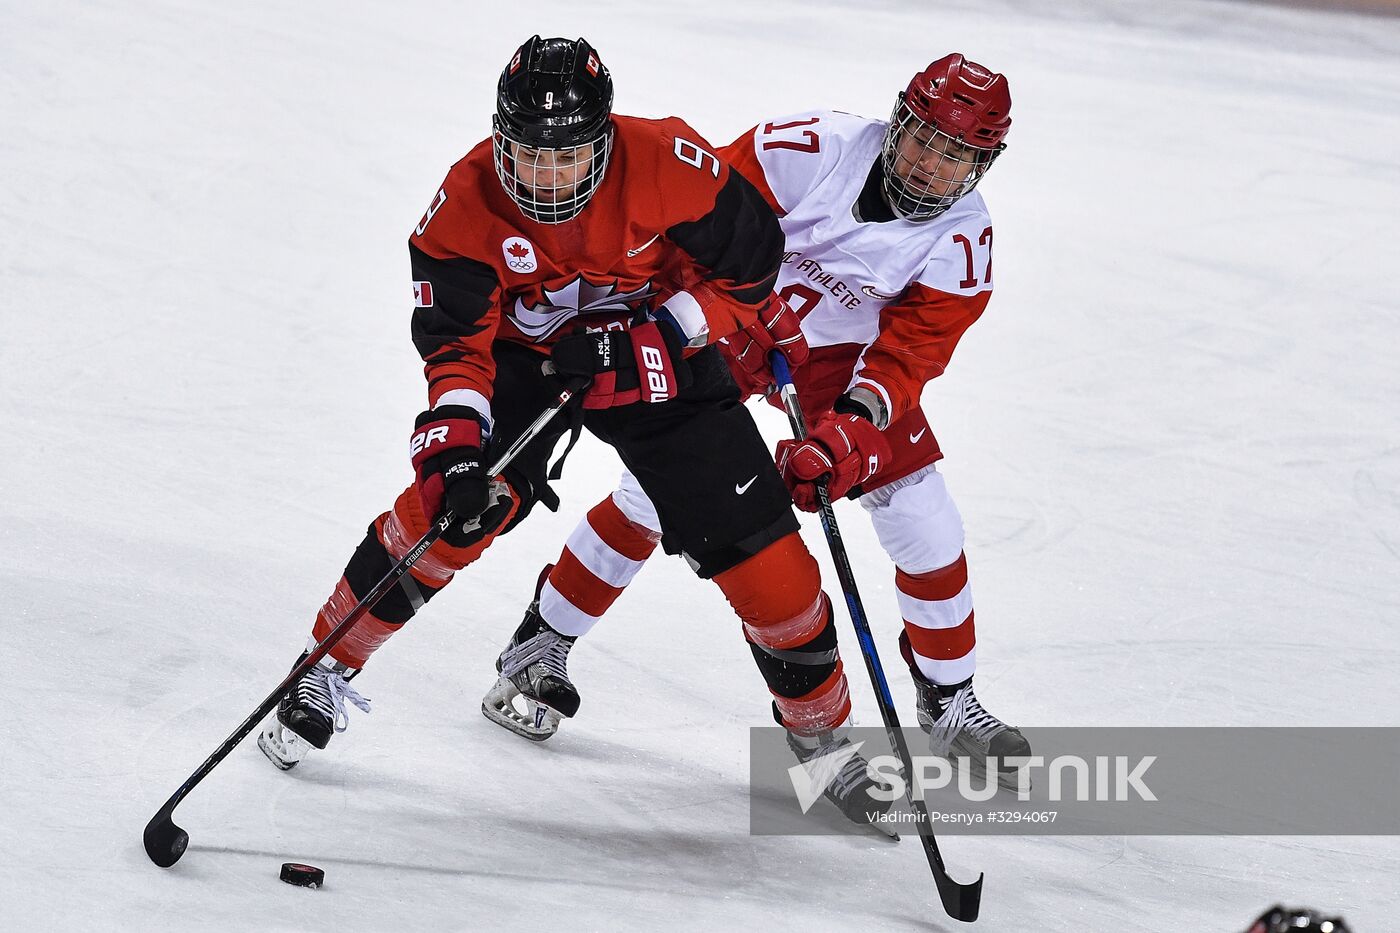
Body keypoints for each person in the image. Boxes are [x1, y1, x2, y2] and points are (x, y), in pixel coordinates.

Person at [257, 35, 890, 826]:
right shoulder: (459, 208)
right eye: (526, 156)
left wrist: (665, 332)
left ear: (604, 140)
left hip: (652, 346)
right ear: (499, 139)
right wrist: (453, 455)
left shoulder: (666, 159)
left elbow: (753, 267)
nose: (545, 179)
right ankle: (322, 665)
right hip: (527, 360)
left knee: (774, 572)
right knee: (449, 513)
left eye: (567, 157)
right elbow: (457, 351)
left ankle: (822, 742)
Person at [483, 52, 1032, 787]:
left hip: (835, 360)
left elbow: (907, 358)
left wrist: (850, 433)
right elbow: (694, 219)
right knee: (656, 494)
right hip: (729, 314)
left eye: (956, 155)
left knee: (922, 510)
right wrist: (698, 315)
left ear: (982, 164)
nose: (931, 165)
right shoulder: (804, 148)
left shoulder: (964, 245)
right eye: (924, 140)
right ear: (896, 121)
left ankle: (949, 695)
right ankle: (541, 640)